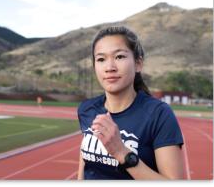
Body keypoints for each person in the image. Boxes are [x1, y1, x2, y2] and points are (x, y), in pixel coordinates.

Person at [77, 26, 184, 180]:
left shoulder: (158, 114)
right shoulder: (87, 109)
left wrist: (121, 152)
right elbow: (85, 163)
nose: (109, 67)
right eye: (101, 59)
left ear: (138, 63)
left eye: (119, 57)